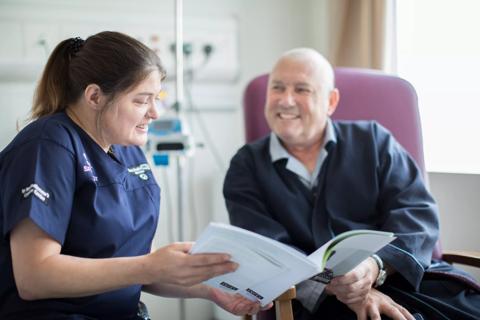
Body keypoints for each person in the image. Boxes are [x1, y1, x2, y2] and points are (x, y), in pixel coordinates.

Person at [0, 31, 270, 319]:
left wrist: (210, 288)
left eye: (157, 98)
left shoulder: (126, 148)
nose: (154, 112)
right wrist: (150, 265)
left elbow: (137, 267)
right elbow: (34, 278)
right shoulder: (47, 146)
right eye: (142, 100)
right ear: (94, 96)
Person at [223, 48, 480, 320]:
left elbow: (416, 216)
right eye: (277, 88)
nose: (286, 100)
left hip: (405, 279)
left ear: (330, 101)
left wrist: (374, 267)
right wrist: (348, 290)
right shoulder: (245, 166)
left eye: (302, 89)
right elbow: (267, 253)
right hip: (313, 301)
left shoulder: (374, 142)